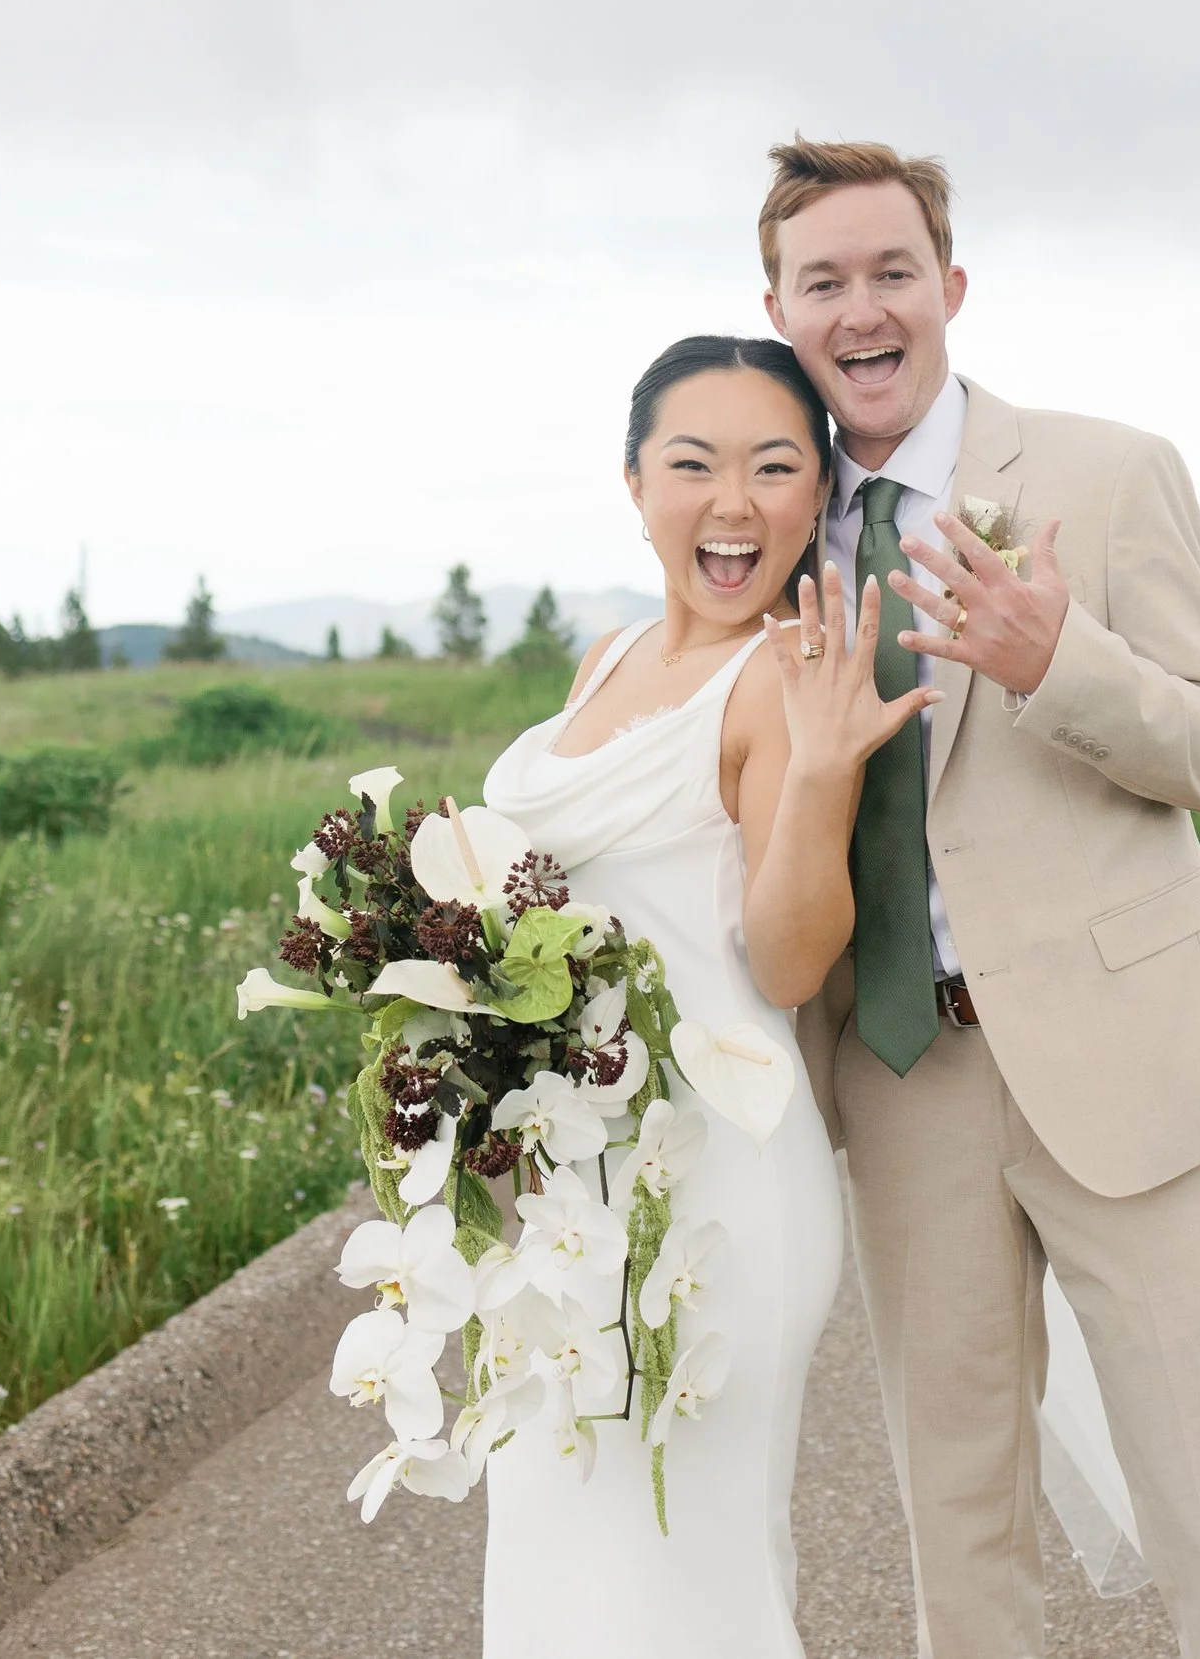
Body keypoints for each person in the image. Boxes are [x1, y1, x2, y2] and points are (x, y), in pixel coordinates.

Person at [764, 138, 1200, 1658]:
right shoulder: (777, 531)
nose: (863, 309)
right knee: (961, 1533)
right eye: (826, 281)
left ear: (950, 286)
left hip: (1134, 1057)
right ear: (781, 305)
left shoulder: (1105, 471)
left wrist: (1055, 660)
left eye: (891, 272)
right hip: (902, 1076)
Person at [474, 334, 930, 1655]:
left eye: (775, 466)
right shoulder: (607, 657)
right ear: (634, 481)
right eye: (694, 463)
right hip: (579, 1179)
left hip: (714, 1179)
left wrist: (824, 771)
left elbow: (787, 965)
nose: (733, 503)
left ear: (816, 496)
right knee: (560, 1548)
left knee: (685, 1568)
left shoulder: (787, 679)